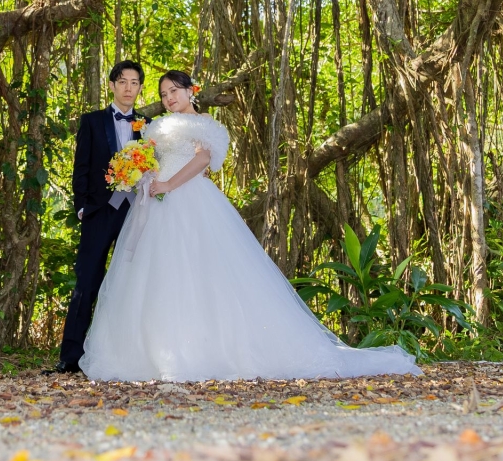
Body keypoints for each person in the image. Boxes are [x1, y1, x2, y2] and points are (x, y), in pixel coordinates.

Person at [78, 69, 421, 381]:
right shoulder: (156, 126)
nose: (169, 99)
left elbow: (202, 159)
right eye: (164, 93)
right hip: (154, 206)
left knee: (199, 274)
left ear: (190, 91)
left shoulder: (204, 125)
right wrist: (144, 175)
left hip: (190, 201)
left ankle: (203, 353)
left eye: (174, 91)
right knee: (156, 276)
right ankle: (152, 353)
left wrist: (168, 184)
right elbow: (151, 157)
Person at [54, 59, 146, 373]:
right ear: (112, 84)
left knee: (133, 283)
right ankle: (70, 357)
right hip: (99, 212)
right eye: (122, 81)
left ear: (140, 87)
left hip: (135, 213)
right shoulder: (92, 121)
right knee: (87, 281)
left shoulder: (146, 125)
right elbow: (80, 168)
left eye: (134, 82)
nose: (128, 88)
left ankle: (127, 356)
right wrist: (82, 207)